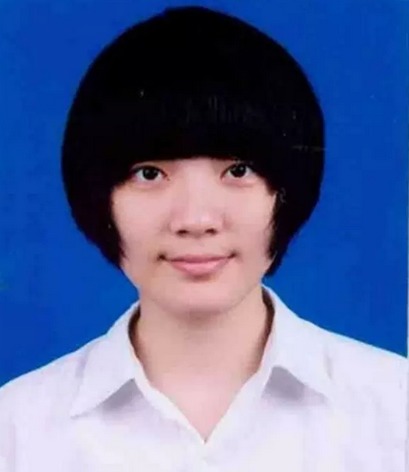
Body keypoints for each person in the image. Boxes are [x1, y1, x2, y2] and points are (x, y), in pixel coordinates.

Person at [0, 5, 406, 471]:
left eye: (238, 170)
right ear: (98, 198)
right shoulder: (17, 429)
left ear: (288, 190)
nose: (195, 220)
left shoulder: (394, 409)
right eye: (149, 174)